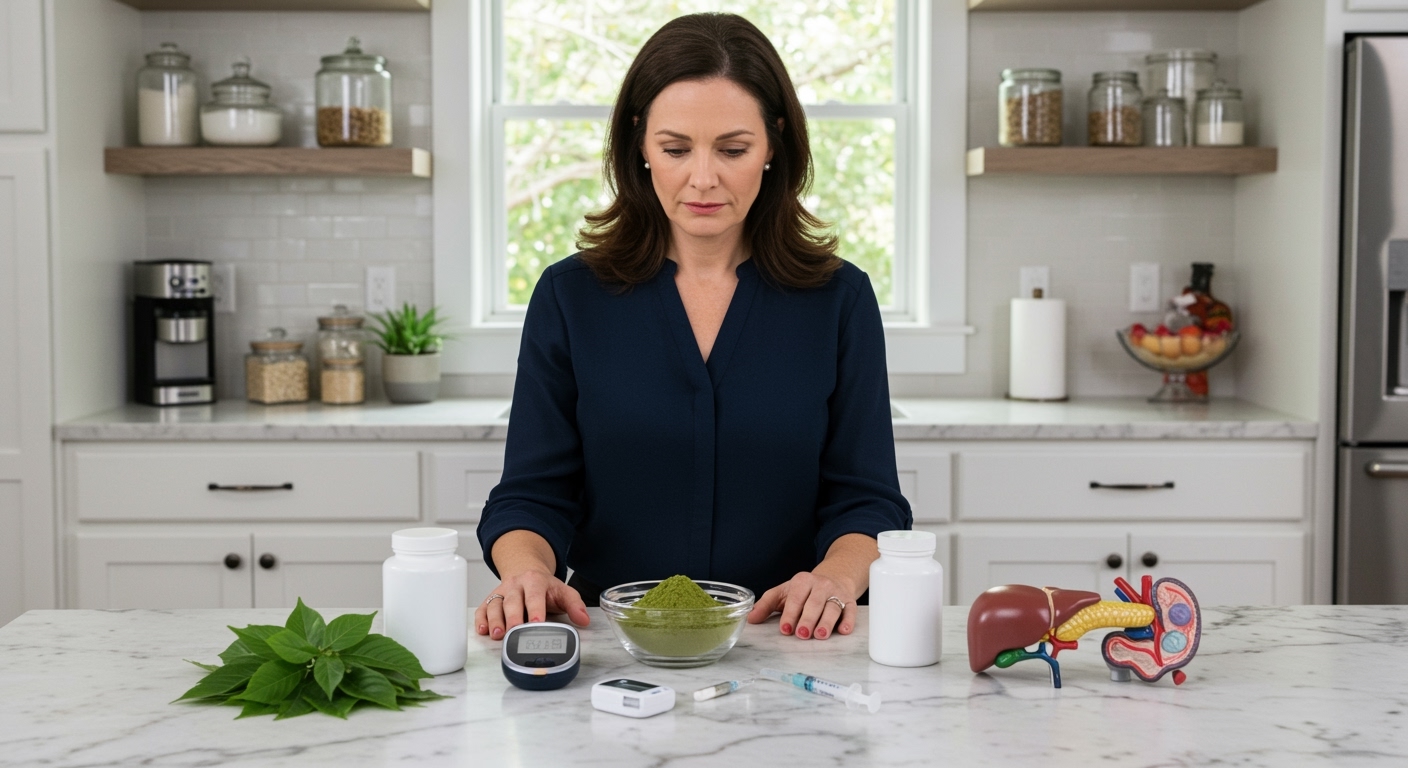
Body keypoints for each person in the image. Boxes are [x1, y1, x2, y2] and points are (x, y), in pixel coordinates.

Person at [475, 12, 910, 645]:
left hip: (787, 641)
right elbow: (532, 494)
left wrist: (837, 581)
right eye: (676, 148)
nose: (702, 178)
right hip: (615, 646)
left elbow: (867, 499)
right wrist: (526, 575)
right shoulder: (569, 297)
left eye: (732, 149)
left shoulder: (839, 300)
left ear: (773, 147)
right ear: (640, 146)